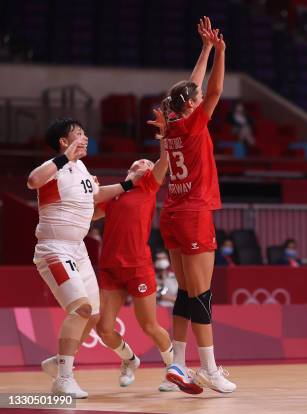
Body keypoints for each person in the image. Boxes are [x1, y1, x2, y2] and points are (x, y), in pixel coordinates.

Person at [29, 118, 141, 398]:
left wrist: (128, 185)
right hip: (54, 248)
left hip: (78, 250)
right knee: (79, 308)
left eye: (85, 133)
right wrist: (65, 157)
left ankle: (60, 362)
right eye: (78, 134)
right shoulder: (54, 168)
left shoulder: (81, 168)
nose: (85, 137)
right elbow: (33, 181)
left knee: (92, 313)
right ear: (64, 143)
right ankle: (63, 379)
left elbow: (96, 196)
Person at [156, 16, 235, 395]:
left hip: (171, 212)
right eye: (197, 98)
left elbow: (189, 89)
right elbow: (214, 88)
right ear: (191, 105)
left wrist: (203, 48)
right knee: (201, 294)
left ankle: (177, 366)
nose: (203, 97)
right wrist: (219, 53)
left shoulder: (170, 123)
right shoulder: (192, 124)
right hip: (193, 213)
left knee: (186, 293)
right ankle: (208, 369)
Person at [91, 120, 178, 392]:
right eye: (140, 161)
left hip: (138, 266)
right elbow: (90, 215)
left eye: (147, 162)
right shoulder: (115, 192)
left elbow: (165, 159)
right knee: (104, 329)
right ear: (130, 169)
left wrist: (164, 134)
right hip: (109, 267)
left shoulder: (149, 187)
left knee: (149, 326)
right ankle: (129, 359)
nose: (144, 162)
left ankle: (174, 370)